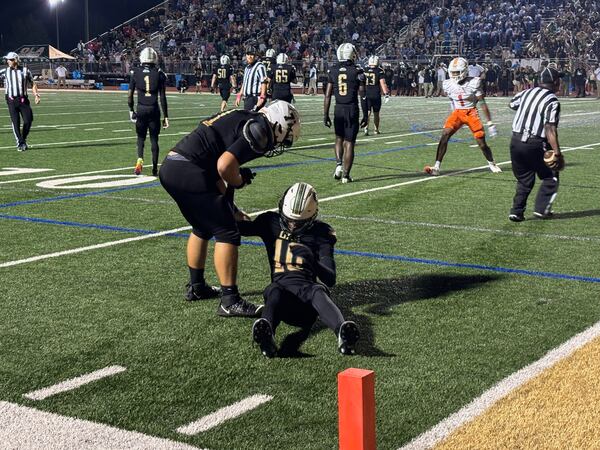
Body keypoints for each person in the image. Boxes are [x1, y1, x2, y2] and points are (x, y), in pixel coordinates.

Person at [159, 100, 301, 316]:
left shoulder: (247, 117)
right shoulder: (259, 130)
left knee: (202, 227)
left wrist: (231, 207)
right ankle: (230, 300)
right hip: (190, 170)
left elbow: (216, 172)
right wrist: (238, 181)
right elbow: (224, 166)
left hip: (173, 166)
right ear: (279, 125)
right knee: (227, 231)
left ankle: (196, 287)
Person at [237, 182, 359, 357]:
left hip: (308, 305)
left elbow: (330, 279)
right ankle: (267, 333)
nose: (293, 225)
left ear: (312, 217)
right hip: (281, 300)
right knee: (274, 290)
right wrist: (230, 187)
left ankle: (343, 333)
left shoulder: (321, 232)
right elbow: (234, 226)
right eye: (289, 220)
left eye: (298, 222)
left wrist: (312, 260)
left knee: (318, 290)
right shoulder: (269, 221)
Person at [425, 57, 501, 176]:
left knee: (481, 143)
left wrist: (490, 123)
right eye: (453, 72)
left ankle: (492, 163)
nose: (454, 75)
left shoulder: (474, 82)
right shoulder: (448, 84)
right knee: (444, 135)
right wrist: (453, 113)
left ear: (464, 71)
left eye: (457, 72)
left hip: (471, 112)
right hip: (458, 113)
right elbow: (452, 100)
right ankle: (436, 166)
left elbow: (482, 103)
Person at [507, 67, 562, 222]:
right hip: (535, 143)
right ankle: (541, 209)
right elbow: (550, 129)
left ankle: (516, 211)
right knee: (551, 175)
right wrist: (557, 153)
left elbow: (512, 104)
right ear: (556, 82)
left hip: (516, 141)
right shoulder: (552, 100)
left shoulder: (526, 92)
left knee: (524, 178)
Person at [324, 43, 367, 184]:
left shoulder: (333, 70)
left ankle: (338, 165)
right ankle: (346, 175)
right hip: (351, 108)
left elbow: (327, 95)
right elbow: (362, 95)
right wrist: (366, 115)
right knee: (349, 143)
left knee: (338, 139)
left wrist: (325, 115)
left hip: (338, 109)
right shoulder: (357, 71)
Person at [127, 47, 169, 176]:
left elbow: (130, 94)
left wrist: (131, 110)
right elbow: (162, 97)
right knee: (154, 139)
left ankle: (140, 159)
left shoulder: (135, 72)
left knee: (140, 138)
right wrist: (166, 116)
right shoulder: (159, 73)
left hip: (141, 108)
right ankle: (155, 169)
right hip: (153, 108)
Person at [2, 52, 40, 151]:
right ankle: (20, 142)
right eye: (8, 60)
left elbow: (32, 83)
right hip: (11, 100)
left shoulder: (25, 71)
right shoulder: (5, 71)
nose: (8, 61)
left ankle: (23, 139)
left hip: (23, 99)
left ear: (15, 60)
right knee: (16, 122)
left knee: (28, 120)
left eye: (10, 60)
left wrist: (36, 95)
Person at [362, 55, 390, 135]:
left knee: (367, 113)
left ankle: (366, 129)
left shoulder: (365, 70)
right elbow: (383, 83)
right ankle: (376, 130)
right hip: (376, 95)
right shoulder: (379, 71)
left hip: (367, 94)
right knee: (376, 113)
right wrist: (386, 94)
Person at [235, 46, 268, 111]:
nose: (250, 57)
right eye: (248, 54)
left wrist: (262, 97)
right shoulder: (247, 68)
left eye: (252, 54)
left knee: (253, 119)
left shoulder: (260, 66)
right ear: (246, 55)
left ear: (255, 56)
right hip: (247, 98)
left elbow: (264, 82)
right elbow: (245, 83)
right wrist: (239, 95)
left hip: (255, 98)